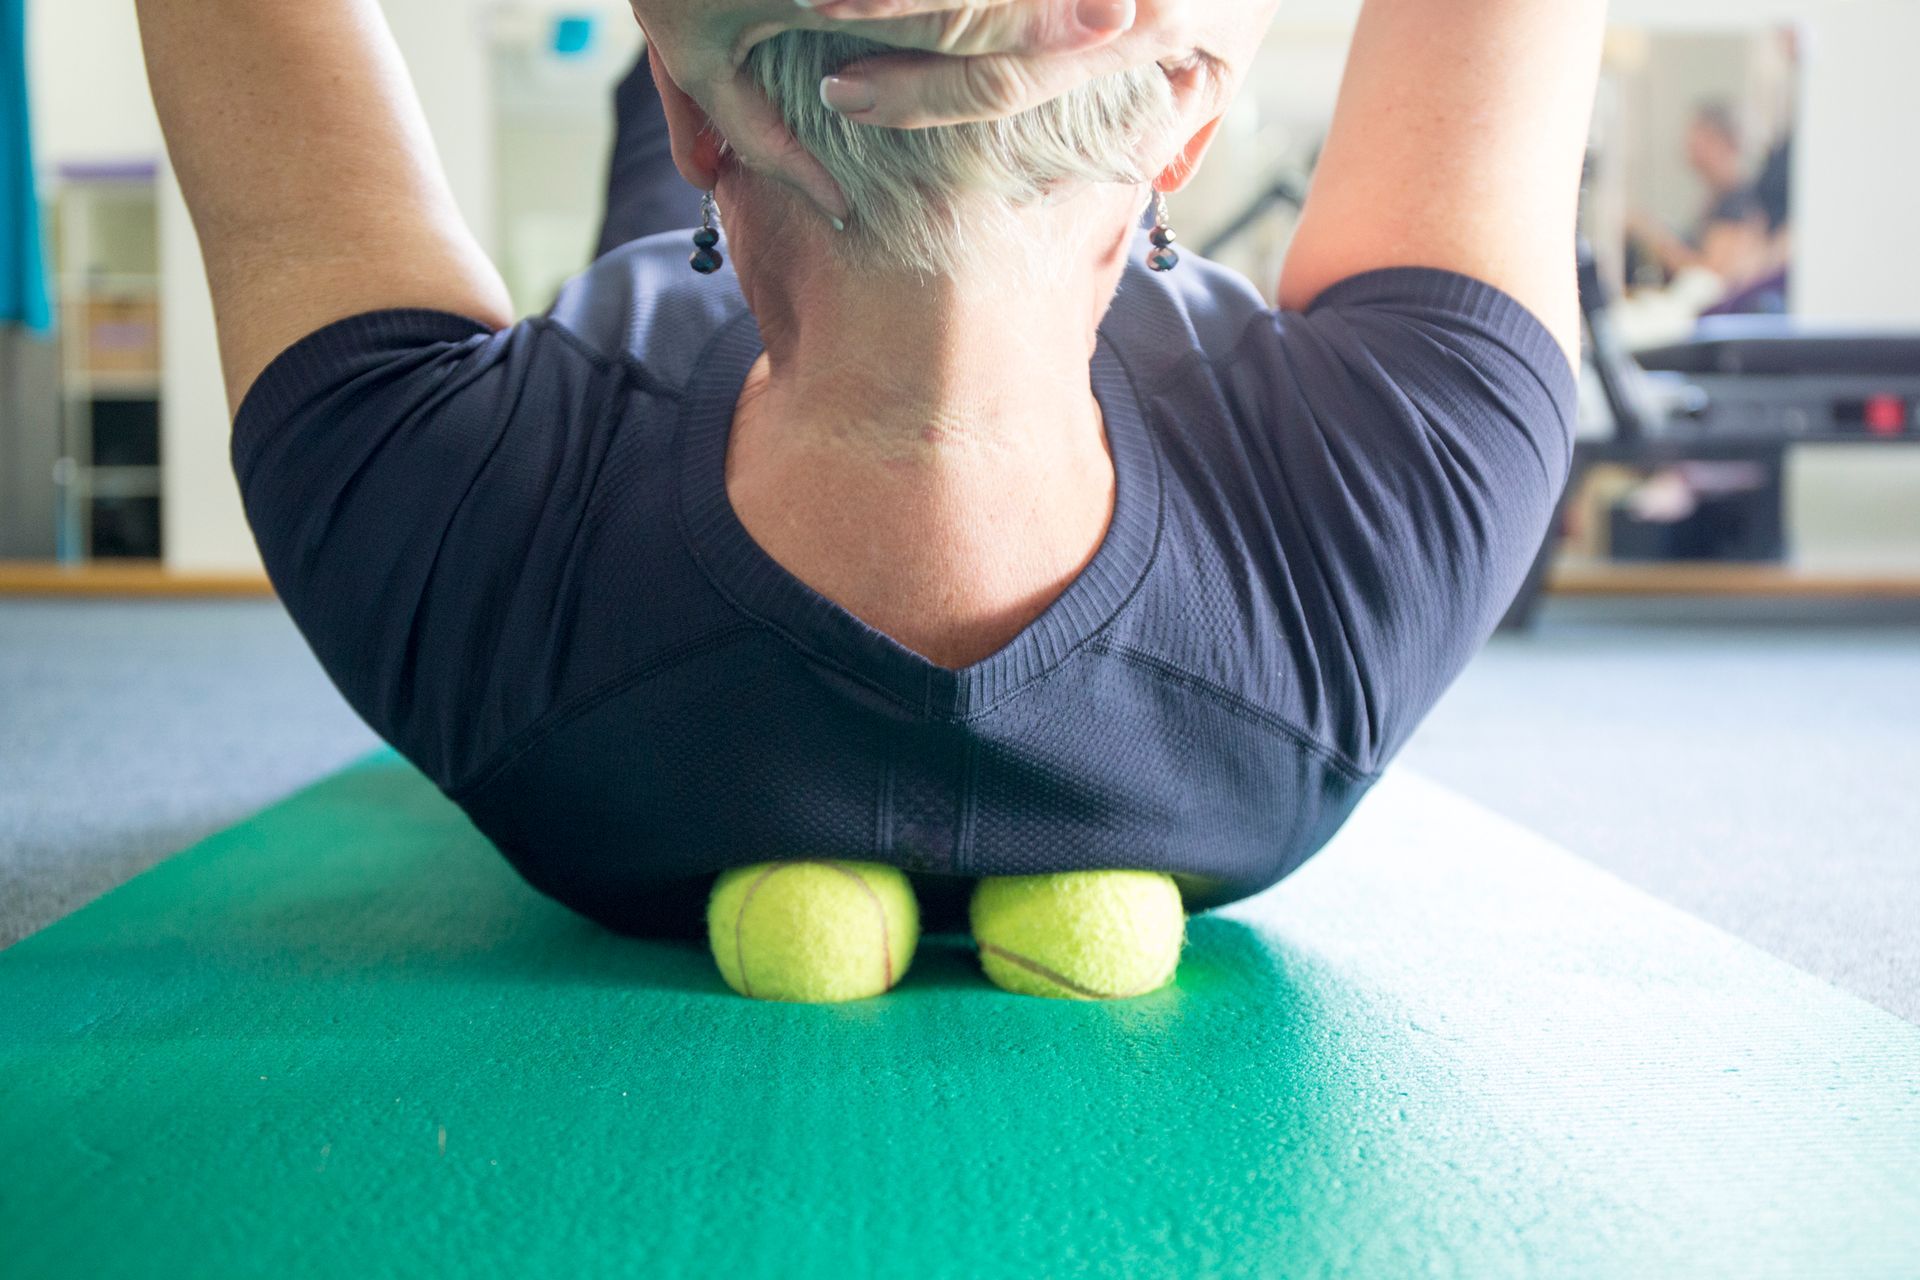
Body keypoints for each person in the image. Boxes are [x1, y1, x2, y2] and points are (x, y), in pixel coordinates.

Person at [136, 0, 1601, 957]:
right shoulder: (1390, 517)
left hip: (716, 232)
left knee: (686, 209)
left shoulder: (443, 528)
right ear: (1190, 130)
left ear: (684, 106)